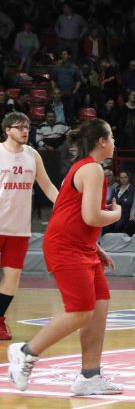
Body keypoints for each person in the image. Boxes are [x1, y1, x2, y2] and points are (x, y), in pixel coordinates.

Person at [7, 119, 122, 395]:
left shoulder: (85, 167)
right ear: (102, 142)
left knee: (100, 305)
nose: (115, 142)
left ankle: (90, 376)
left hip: (81, 246)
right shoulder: (92, 169)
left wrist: (95, 246)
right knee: (81, 310)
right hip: (65, 247)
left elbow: (69, 212)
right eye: (112, 137)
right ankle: (25, 351)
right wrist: (117, 214)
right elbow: (92, 216)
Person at [0, 113, 59, 340]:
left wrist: (67, 205)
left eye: (27, 127)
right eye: (19, 127)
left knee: (12, 278)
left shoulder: (32, 155)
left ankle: (0, 320)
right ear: (7, 130)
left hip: (19, 228)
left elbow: (47, 185)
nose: (25, 131)